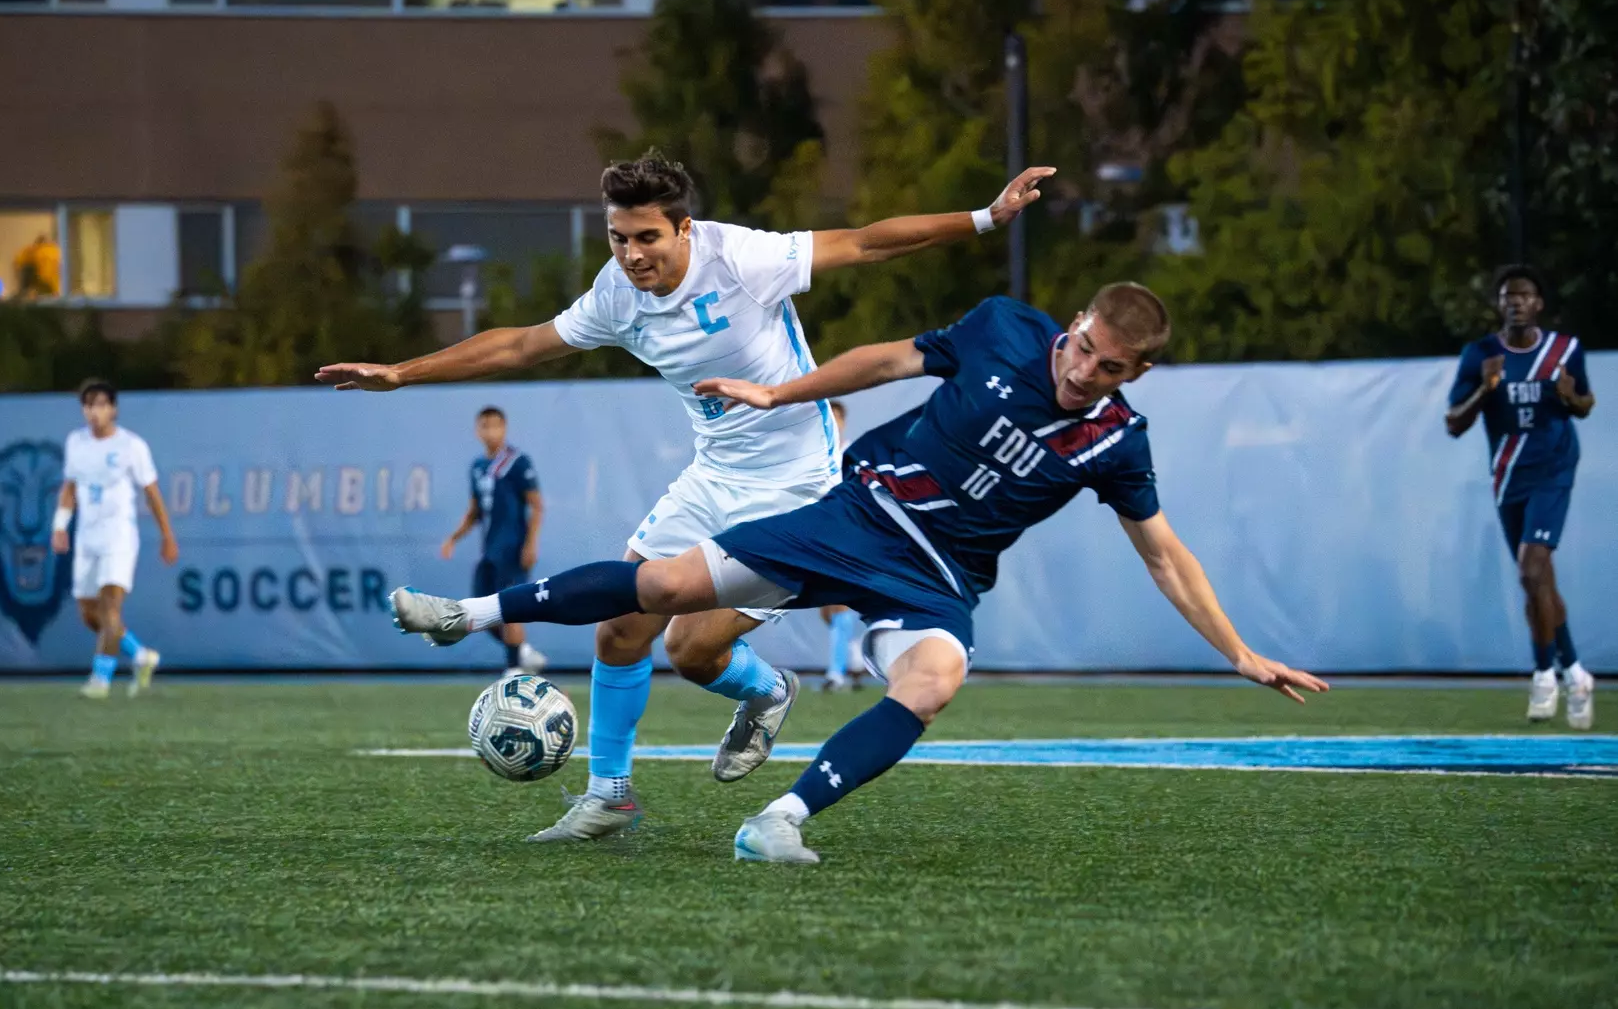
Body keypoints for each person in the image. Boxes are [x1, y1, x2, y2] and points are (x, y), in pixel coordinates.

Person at [388, 285, 1328, 863]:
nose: (1085, 369)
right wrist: (776, 391)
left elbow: (1162, 550)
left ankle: (778, 822)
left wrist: (1239, 651)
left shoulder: (1119, 441)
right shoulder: (1004, 328)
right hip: (856, 517)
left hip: (938, 578)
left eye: (1111, 366)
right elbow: (888, 359)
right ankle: (463, 615)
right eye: (1084, 346)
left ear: (1138, 373)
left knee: (937, 680)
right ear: (1074, 321)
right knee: (673, 610)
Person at [317, 151, 1055, 841]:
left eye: (647, 237)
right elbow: (520, 344)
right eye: (617, 238)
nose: (633, 254)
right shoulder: (617, 293)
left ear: (685, 229)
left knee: (692, 649)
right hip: (712, 476)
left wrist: (985, 218)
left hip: (798, 485)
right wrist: (401, 373)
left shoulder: (740, 258)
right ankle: (610, 797)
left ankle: (765, 694)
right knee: (621, 630)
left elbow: (863, 243)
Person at [1446, 265, 1596, 729]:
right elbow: (1453, 422)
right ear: (1499, 305)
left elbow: (1585, 404)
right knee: (1537, 579)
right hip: (1509, 477)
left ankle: (1543, 672)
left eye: (1524, 296)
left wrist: (1571, 398)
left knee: (1533, 568)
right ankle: (1574, 670)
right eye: (1508, 296)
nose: (1516, 303)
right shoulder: (1481, 355)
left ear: (1538, 305)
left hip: (1553, 471)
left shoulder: (1564, 350)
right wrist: (1485, 392)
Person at [51, 379, 179, 698]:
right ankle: (139, 654)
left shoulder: (131, 446)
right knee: (90, 615)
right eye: (88, 405)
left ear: (113, 409)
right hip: (86, 539)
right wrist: (59, 525)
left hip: (118, 537)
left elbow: (151, 493)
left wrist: (167, 534)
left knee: (110, 605)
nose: (94, 412)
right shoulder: (76, 442)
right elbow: (69, 488)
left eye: (101, 405)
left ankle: (100, 679)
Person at [441, 406, 547, 675]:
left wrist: (531, 543)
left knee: (508, 605)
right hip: (489, 550)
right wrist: (453, 538)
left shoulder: (517, 462)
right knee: (482, 612)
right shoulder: (478, 467)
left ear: (505, 428)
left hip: (512, 548)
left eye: (495, 425)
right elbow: (474, 510)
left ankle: (513, 668)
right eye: (485, 426)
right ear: (477, 430)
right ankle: (522, 651)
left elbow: (536, 505)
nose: (490, 432)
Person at [818, 400, 862, 692]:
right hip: (818, 534)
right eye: (828, 420)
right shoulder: (814, 457)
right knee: (825, 608)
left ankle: (836, 673)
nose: (834, 425)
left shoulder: (853, 454)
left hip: (848, 534)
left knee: (840, 601)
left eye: (838, 420)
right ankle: (856, 657)